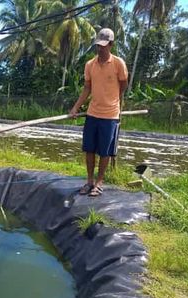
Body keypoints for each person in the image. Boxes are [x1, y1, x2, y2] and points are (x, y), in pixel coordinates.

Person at [69, 28, 128, 197]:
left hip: (110, 116)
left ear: (111, 44)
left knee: (105, 151)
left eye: (103, 45)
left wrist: (113, 99)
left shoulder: (118, 64)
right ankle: (89, 181)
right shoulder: (90, 65)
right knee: (89, 149)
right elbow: (87, 88)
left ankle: (99, 182)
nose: (100, 49)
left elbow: (123, 84)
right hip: (92, 113)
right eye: (98, 46)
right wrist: (75, 108)